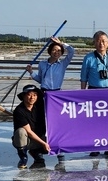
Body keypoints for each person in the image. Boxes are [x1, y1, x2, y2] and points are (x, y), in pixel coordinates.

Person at [25, 36, 74, 168]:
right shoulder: (42, 64)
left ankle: (60, 153)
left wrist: (61, 43)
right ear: (50, 51)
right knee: (42, 122)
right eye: (54, 49)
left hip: (57, 95)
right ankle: (38, 150)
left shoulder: (63, 64)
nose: (56, 52)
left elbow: (72, 51)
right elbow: (41, 79)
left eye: (59, 50)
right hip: (44, 94)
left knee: (57, 124)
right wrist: (31, 72)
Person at [80, 31, 108, 159]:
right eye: (98, 40)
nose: (101, 43)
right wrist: (83, 94)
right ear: (94, 42)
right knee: (95, 122)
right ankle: (95, 146)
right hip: (94, 92)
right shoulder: (88, 58)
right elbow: (83, 78)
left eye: (104, 41)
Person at [12, 85, 50, 169]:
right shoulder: (19, 111)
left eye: (35, 95)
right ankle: (23, 158)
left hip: (42, 136)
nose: (32, 97)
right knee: (20, 132)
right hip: (28, 140)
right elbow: (29, 131)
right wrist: (44, 144)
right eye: (29, 94)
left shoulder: (40, 107)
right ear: (23, 96)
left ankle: (36, 152)